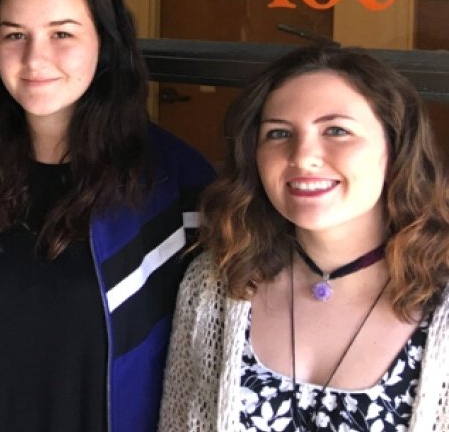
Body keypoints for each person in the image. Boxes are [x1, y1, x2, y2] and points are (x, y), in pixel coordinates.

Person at [0, 0, 214, 431]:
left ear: (105, 43)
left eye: (62, 33)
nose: (35, 59)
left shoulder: (176, 186)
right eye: (14, 35)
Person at [159, 46, 449, 431]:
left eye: (337, 130)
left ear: (395, 149)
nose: (303, 156)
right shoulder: (214, 284)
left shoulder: (440, 297)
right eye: (278, 133)